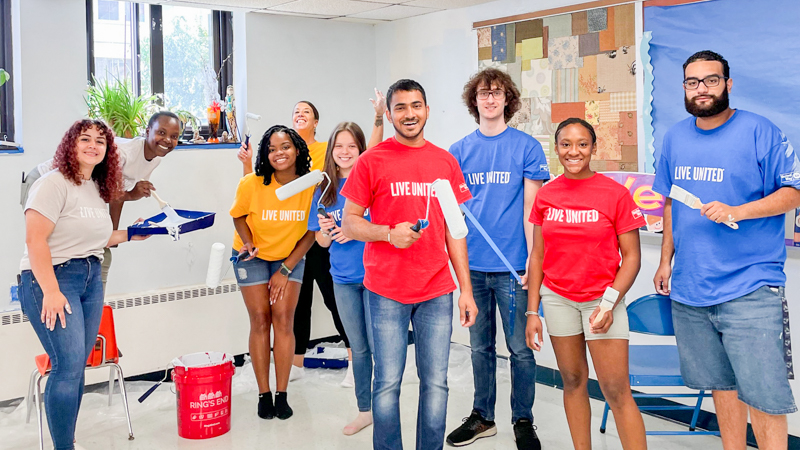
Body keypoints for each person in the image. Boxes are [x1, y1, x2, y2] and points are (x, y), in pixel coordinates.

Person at [652, 50, 800, 450]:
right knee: (721, 388)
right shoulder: (675, 137)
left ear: (728, 84)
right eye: (692, 82)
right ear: (683, 87)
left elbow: (792, 193)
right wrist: (665, 260)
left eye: (711, 80)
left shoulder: (760, 131)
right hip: (691, 288)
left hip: (751, 288)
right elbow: (668, 203)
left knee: (765, 396)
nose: (701, 89)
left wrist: (739, 211)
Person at [341, 79, 478, 450]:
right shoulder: (372, 160)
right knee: (387, 383)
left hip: (436, 290)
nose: (409, 114)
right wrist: (387, 233)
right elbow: (349, 222)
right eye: (400, 107)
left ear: (427, 110)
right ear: (389, 114)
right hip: (386, 290)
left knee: (436, 383)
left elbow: (456, 231)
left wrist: (465, 289)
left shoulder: (445, 162)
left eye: (416, 106)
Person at [18, 119, 149, 450]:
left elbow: (100, 237)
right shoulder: (52, 183)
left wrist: (134, 233)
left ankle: (68, 439)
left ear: (108, 151)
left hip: (90, 278)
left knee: (77, 365)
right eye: (85, 139)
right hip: (52, 279)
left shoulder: (95, 188)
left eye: (100, 141)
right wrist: (50, 291)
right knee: (66, 367)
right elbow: (35, 240)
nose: (93, 145)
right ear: (69, 146)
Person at [239, 97, 385, 380]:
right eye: (296, 111)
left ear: (316, 121)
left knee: (337, 304)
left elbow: (369, 154)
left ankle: (360, 365)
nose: (300, 114)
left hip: (343, 257)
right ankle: (294, 364)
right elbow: (258, 188)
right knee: (298, 303)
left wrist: (379, 117)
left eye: (306, 111)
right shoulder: (287, 153)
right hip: (299, 238)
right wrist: (247, 164)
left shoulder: (324, 155)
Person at [526, 118, 647, 450]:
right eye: (566, 144)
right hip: (558, 299)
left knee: (616, 390)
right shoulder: (547, 195)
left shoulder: (615, 194)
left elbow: (632, 257)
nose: (573, 151)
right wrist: (532, 311)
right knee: (573, 380)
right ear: (557, 149)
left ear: (593, 148)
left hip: (602, 301)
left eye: (582, 144)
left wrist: (609, 303)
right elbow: (537, 256)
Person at [446, 68, 549, 449]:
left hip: (514, 270)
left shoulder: (527, 148)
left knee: (521, 349)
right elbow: (453, 217)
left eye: (497, 93)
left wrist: (532, 268)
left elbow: (531, 212)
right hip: (472, 269)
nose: (490, 99)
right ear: (474, 101)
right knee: (480, 347)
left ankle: (523, 419)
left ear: (509, 100)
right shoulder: (458, 151)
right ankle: (482, 417)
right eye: (483, 94)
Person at [20, 111, 183, 289]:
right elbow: (115, 198)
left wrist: (113, 231)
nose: (167, 140)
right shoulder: (124, 153)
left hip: (78, 186)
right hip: (42, 179)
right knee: (53, 242)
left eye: (174, 136)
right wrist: (109, 239)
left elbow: (109, 192)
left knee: (87, 244)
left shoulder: (155, 159)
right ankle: (45, 292)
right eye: (161, 133)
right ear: (147, 131)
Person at [230, 125, 316, 420]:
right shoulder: (252, 184)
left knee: (283, 318)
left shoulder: (309, 185)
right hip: (250, 255)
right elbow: (238, 216)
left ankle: (282, 394)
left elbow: (311, 233)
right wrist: (249, 242)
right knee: (260, 319)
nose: (279, 153)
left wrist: (285, 269)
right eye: (272, 149)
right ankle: (263, 394)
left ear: (297, 149)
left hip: (289, 257)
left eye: (286, 146)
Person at [309, 122, 373, 436]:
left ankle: (385, 406)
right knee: (358, 348)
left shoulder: (372, 184)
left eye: (352, 146)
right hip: (344, 278)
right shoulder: (324, 190)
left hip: (375, 277)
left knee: (380, 346)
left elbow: (382, 228)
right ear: (332, 152)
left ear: (361, 150)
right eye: (339, 147)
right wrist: (326, 231)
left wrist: (353, 229)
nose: (345, 152)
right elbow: (322, 242)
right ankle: (365, 410)